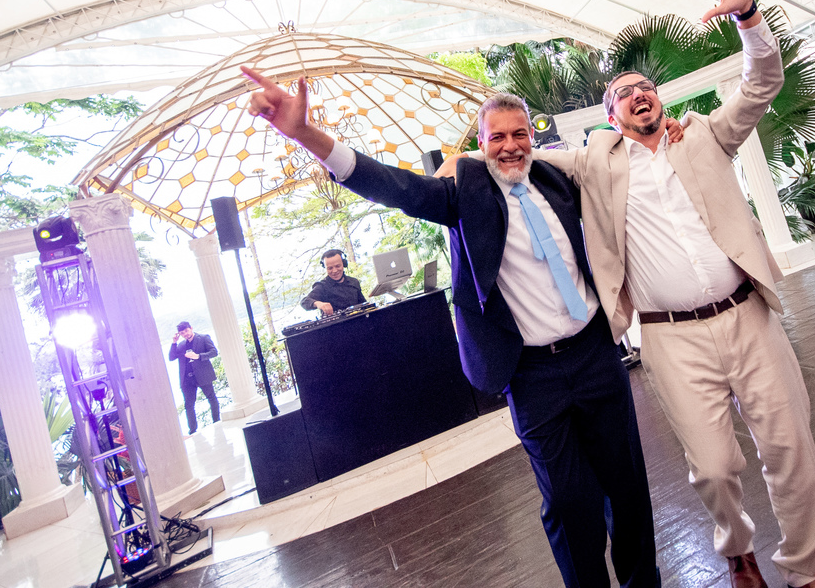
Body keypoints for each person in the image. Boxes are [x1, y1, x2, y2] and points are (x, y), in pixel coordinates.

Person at [439, 0, 815, 588]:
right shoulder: (594, 161)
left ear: (659, 98)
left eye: (642, 86)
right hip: (670, 336)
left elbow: (761, 83)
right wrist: (463, 165)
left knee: (791, 448)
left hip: (748, 317)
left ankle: (808, 570)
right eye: (621, 92)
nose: (635, 93)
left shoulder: (706, 135)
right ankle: (737, 550)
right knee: (713, 467)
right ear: (609, 115)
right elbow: (517, 155)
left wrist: (748, 19)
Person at [241, 69, 660, 588]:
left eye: (520, 133)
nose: (511, 146)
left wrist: (667, 132)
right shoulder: (463, 194)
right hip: (532, 376)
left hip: (596, 355)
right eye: (497, 137)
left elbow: (620, 163)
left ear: (532, 136)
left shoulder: (557, 179)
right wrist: (306, 133)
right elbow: (394, 186)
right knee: (571, 503)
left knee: (628, 488)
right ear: (480, 145)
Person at [168, 321, 220, 435]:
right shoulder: (181, 345)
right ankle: (193, 431)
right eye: (182, 333)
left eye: (186, 331)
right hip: (187, 379)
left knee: (211, 397)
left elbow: (214, 352)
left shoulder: (203, 338)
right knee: (189, 405)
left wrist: (198, 356)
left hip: (203, 375)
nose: (185, 334)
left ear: (191, 328)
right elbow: (171, 357)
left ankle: (217, 422)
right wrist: (174, 343)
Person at [300, 248, 366, 314]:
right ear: (325, 268)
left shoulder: (354, 282)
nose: (334, 271)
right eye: (330, 268)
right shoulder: (322, 286)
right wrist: (318, 304)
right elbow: (304, 301)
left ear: (344, 264)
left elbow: (364, 305)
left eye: (338, 266)